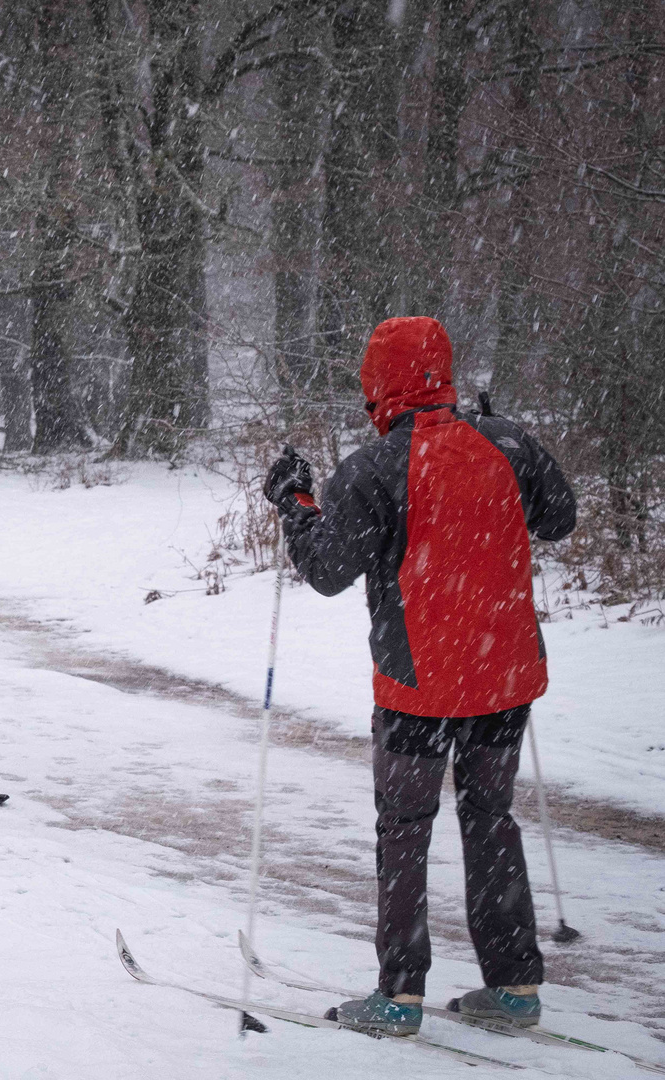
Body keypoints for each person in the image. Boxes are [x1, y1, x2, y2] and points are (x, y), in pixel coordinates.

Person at [264, 316, 576, 1036]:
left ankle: (400, 996)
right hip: (503, 680)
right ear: (445, 371)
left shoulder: (373, 469)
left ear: (379, 385)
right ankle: (516, 986)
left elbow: (326, 569)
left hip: (418, 683)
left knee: (404, 828)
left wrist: (294, 502)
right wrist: (513, 443)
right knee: (490, 821)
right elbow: (558, 517)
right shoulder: (506, 444)